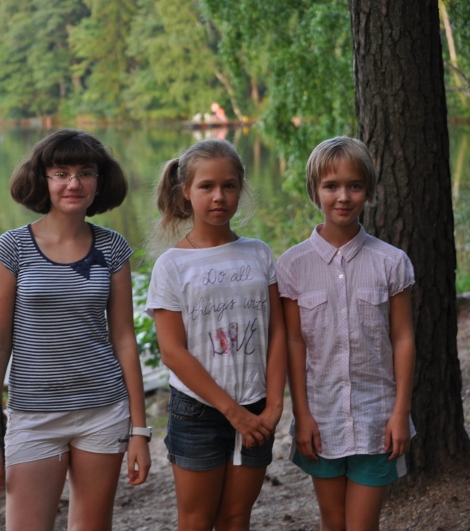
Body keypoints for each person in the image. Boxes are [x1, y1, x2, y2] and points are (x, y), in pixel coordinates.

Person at [0, 129, 151, 530]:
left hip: (103, 411)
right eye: (61, 173)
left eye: (85, 173)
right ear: (43, 179)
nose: (74, 183)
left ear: (99, 181)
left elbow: (124, 341)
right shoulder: (12, 248)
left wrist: (139, 429)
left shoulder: (113, 248)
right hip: (33, 415)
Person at [146, 138, 287, 530]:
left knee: (236, 517)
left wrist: (274, 404)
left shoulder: (259, 253)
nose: (219, 196)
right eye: (206, 186)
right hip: (198, 412)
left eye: (229, 186)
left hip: (256, 407)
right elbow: (173, 352)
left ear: (241, 188)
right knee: (197, 519)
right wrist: (233, 412)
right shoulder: (172, 265)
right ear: (185, 191)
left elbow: (277, 332)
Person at [277, 136, 416, 531]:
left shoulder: (391, 262)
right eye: (331, 186)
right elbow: (294, 343)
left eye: (354, 186)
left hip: (377, 418)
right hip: (321, 419)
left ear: (368, 190)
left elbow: (403, 338)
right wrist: (301, 414)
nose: (343, 196)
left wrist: (400, 413)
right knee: (332, 522)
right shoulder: (292, 266)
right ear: (314, 190)